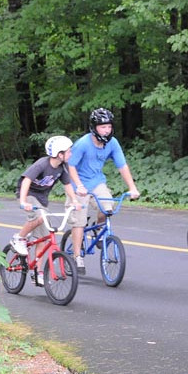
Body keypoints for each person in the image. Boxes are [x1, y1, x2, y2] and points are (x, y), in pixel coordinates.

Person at [66, 108, 140, 275]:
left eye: (109, 127)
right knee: (78, 220)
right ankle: (77, 256)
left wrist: (132, 187)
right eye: (103, 127)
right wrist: (79, 186)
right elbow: (70, 166)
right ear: (94, 127)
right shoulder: (83, 144)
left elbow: (122, 166)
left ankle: (98, 228)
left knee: (108, 207)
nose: (107, 130)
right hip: (78, 184)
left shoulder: (112, 143)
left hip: (97, 182)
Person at [10, 136, 83, 279]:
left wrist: (74, 200)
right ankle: (18, 238)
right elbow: (26, 180)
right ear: (59, 154)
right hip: (29, 194)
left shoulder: (62, 167)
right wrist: (23, 201)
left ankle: (38, 272)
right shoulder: (42, 164)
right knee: (38, 217)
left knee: (44, 238)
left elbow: (67, 185)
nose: (71, 154)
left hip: (42, 199)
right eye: (68, 152)